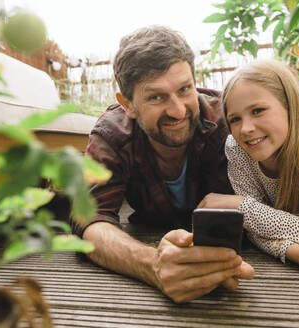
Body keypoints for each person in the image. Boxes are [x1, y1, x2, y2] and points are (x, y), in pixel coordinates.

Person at [71, 26, 254, 304]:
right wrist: (152, 264)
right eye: (156, 97)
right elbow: (90, 219)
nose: (178, 110)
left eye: (184, 89)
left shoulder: (227, 121)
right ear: (128, 105)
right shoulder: (111, 136)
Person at [197, 60, 299, 278]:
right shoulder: (237, 149)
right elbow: (252, 231)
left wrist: (242, 207)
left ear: (289, 107)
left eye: (258, 111)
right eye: (235, 119)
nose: (245, 129)